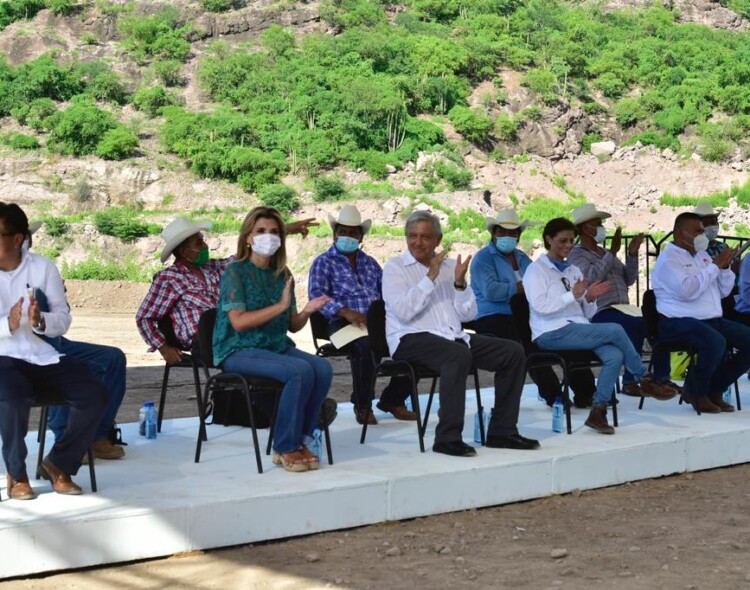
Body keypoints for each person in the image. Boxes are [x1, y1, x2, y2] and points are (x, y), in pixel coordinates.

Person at [382, 210, 540, 457]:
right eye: (412, 236)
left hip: (452, 336)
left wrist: (459, 284)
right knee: (456, 356)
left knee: (512, 351)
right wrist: (430, 277)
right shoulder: (395, 268)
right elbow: (403, 312)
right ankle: (447, 437)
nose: (417, 242)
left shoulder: (448, 267)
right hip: (410, 337)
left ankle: (502, 431)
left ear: (438, 239)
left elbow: (468, 314)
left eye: (425, 237)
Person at [523, 218, 676, 435]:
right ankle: (644, 377)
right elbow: (540, 306)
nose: (567, 245)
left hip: (578, 328)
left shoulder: (573, 270)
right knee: (615, 329)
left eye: (570, 240)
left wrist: (590, 298)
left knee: (614, 355)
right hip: (551, 332)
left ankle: (598, 411)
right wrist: (573, 295)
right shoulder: (536, 270)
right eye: (562, 241)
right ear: (548, 239)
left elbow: (584, 313)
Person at [212, 207, 334, 473]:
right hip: (239, 348)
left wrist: (308, 311)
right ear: (248, 237)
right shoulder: (236, 272)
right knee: (299, 371)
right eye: (261, 231)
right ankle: (284, 445)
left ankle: (303, 437)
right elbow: (239, 322)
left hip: (275, 346)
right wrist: (279, 307)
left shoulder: (283, 273)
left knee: (322, 368)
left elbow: (292, 325)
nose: (269, 236)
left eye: (275, 232)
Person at [0, 203, 107, 499]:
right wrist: (6, 324)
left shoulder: (43, 267)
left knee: (94, 393)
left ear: (17, 239)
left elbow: (63, 319)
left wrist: (40, 320)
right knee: (12, 396)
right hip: (3, 357)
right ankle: (17, 473)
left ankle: (59, 463)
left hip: (42, 354)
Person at [470, 207, 596, 408]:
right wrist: (522, 287)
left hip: (528, 312)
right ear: (493, 234)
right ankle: (553, 394)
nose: (507, 236)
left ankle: (587, 391)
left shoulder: (521, 258)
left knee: (563, 332)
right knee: (525, 345)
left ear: (518, 236)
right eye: (502, 232)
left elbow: (543, 280)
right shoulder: (482, 258)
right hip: (494, 316)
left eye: (512, 233)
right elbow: (491, 291)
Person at [24, 222, 127, 461]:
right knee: (79, 369)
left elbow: (61, 315)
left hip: (53, 340)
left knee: (112, 358)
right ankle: (66, 440)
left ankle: (98, 434)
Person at [308, 205, 415, 425]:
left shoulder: (371, 263)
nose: (348, 236)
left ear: (361, 236)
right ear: (334, 234)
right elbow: (316, 295)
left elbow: (388, 292)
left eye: (353, 232)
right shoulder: (323, 262)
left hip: (374, 321)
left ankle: (393, 400)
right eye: (343, 232)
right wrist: (345, 312)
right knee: (366, 346)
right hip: (340, 323)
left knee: (413, 342)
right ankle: (362, 404)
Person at [567, 203, 679, 397]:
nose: (602, 227)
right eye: (598, 224)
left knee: (658, 323)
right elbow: (591, 277)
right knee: (634, 325)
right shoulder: (576, 254)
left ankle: (662, 378)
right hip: (600, 310)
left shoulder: (604, 252)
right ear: (586, 228)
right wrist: (612, 253)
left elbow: (629, 279)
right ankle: (630, 381)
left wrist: (632, 255)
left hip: (624, 307)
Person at [651, 212, 750, 413]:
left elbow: (723, 291)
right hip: (677, 321)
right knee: (715, 341)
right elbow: (688, 291)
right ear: (680, 234)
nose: (702, 235)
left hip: (710, 319)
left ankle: (714, 389)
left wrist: (724, 269)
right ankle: (694, 391)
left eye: (703, 231)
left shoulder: (703, 256)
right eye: (697, 231)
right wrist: (714, 266)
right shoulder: (668, 261)